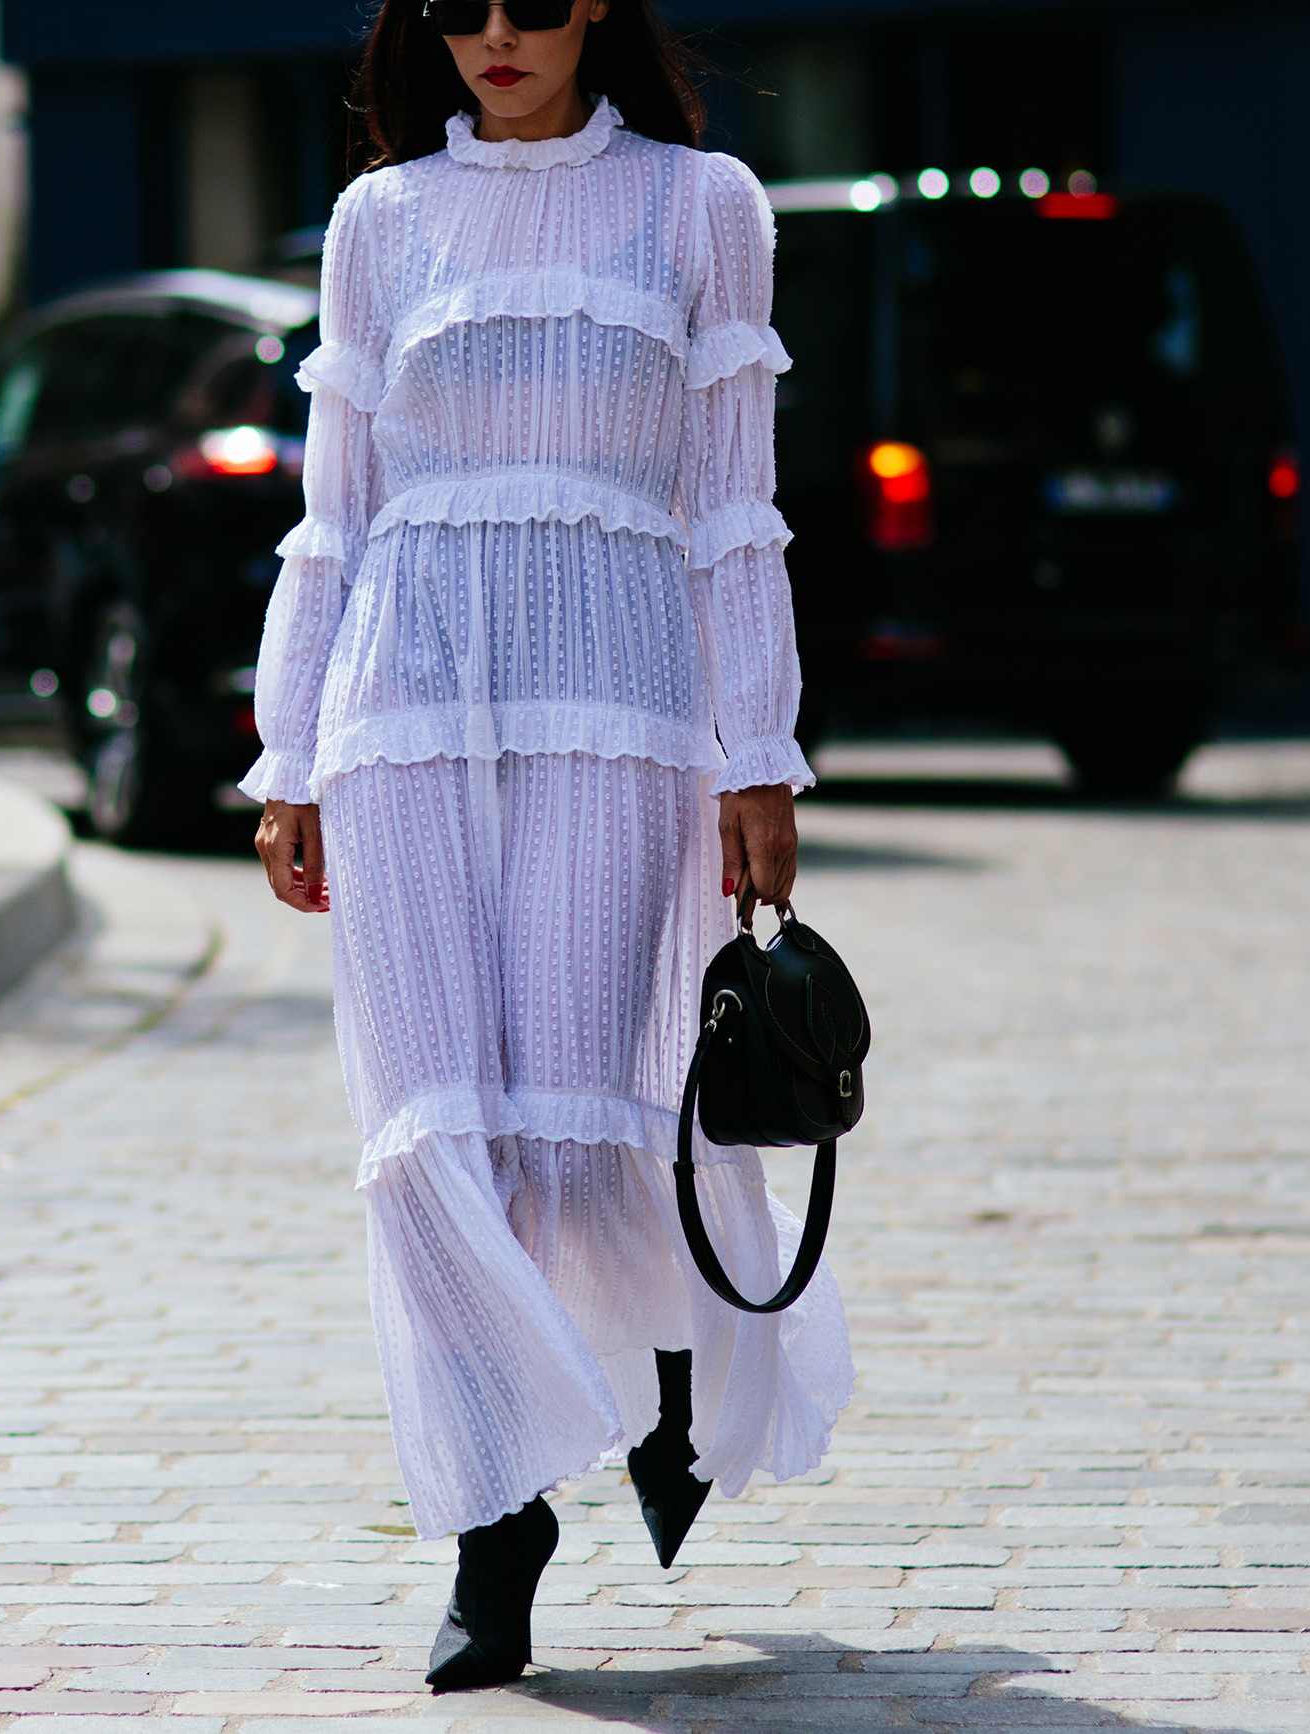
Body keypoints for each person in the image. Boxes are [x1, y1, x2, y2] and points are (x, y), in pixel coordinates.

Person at [243, 0, 855, 1693]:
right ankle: (494, 1522)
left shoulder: (704, 205)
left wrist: (759, 751)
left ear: (596, 6)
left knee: (586, 1098)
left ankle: (657, 1384)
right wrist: (287, 750)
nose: (495, 35)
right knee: (431, 1117)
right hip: (403, 702)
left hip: (620, 694)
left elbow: (737, 504)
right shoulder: (381, 220)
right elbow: (336, 505)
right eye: (459, 6)